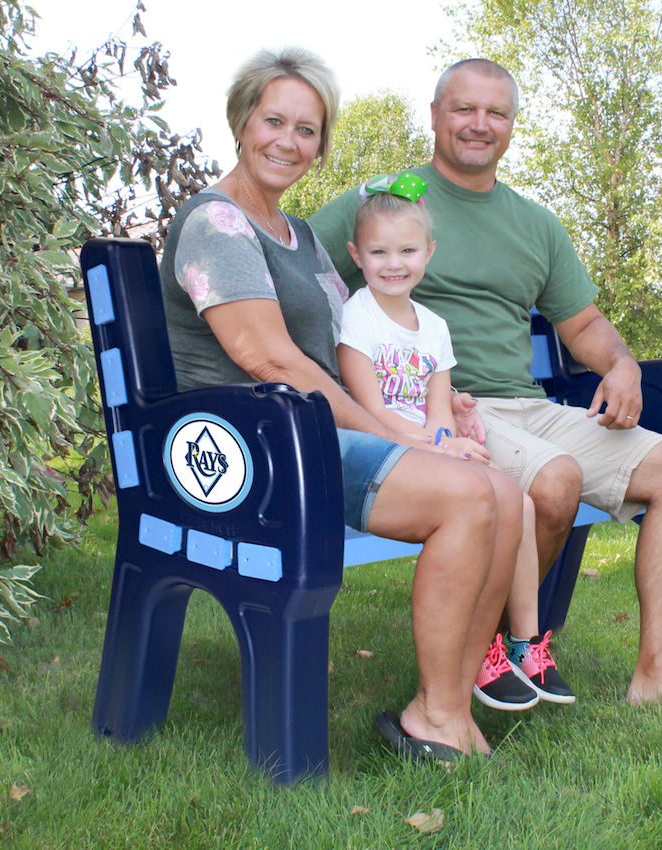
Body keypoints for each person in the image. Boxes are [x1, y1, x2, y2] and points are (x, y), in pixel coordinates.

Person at [310, 58, 662, 721]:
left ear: (512, 126)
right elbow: (296, 268)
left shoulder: (534, 223)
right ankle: (497, 651)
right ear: (435, 116)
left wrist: (621, 364)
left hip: (532, 406)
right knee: (554, 481)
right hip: (446, 409)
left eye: (497, 113)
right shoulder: (387, 203)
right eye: (464, 109)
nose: (479, 125)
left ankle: (658, 674)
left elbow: (583, 323)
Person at [159, 46, 532, 761]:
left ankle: (444, 705)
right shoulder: (217, 223)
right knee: (465, 496)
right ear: (241, 122)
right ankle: (441, 715)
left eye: (307, 129)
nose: (288, 141)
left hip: (307, 429)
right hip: (251, 443)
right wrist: (403, 439)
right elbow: (267, 358)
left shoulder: (297, 236)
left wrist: (438, 405)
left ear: (321, 144)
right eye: (274, 120)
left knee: (504, 492)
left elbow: (349, 349)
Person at [336, 174, 574, 708]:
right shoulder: (357, 316)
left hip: (430, 444)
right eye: (378, 251)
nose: (393, 263)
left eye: (407, 250)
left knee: (521, 501)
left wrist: (449, 439)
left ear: (429, 253)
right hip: (387, 446)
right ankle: (480, 653)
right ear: (356, 254)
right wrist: (439, 447)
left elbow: (438, 403)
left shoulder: (435, 327)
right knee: (483, 498)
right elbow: (369, 408)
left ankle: (523, 643)